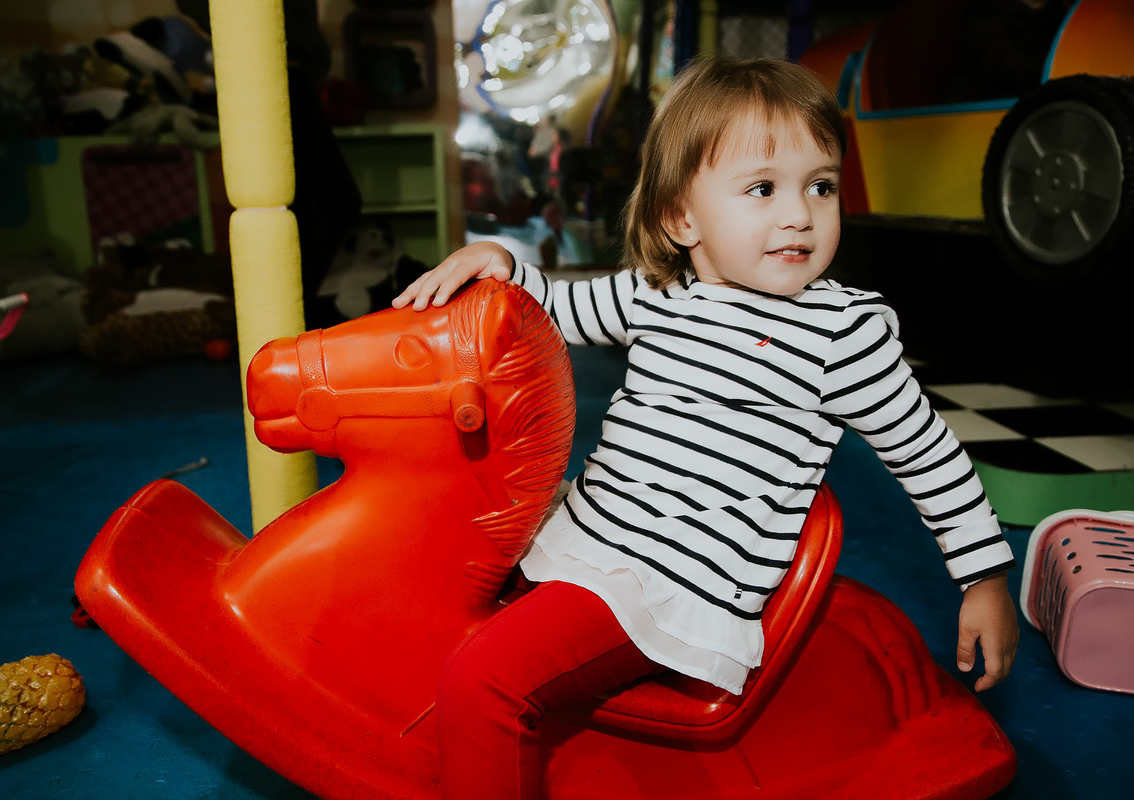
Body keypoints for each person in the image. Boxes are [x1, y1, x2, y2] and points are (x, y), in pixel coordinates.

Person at [393, 56, 1020, 800]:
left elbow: (929, 456)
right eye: (762, 189)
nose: (799, 215)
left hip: (666, 580)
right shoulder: (659, 294)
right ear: (680, 218)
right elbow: (553, 310)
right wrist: (502, 264)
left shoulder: (839, 334)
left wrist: (984, 579)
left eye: (820, 186)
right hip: (594, 531)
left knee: (485, 680)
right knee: (436, 559)